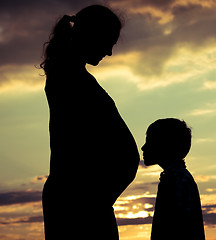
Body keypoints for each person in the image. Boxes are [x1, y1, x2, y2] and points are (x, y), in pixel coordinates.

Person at [41, 5, 139, 240]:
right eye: (110, 43)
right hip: (78, 202)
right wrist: (96, 197)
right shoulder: (69, 77)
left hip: (85, 200)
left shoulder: (73, 75)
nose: (110, 53)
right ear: (94, 36)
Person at [141, 118, 205, 240]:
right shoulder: (175, 177)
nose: (143, 147)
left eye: (149, 141)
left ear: (164, 145)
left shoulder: (176, 180)